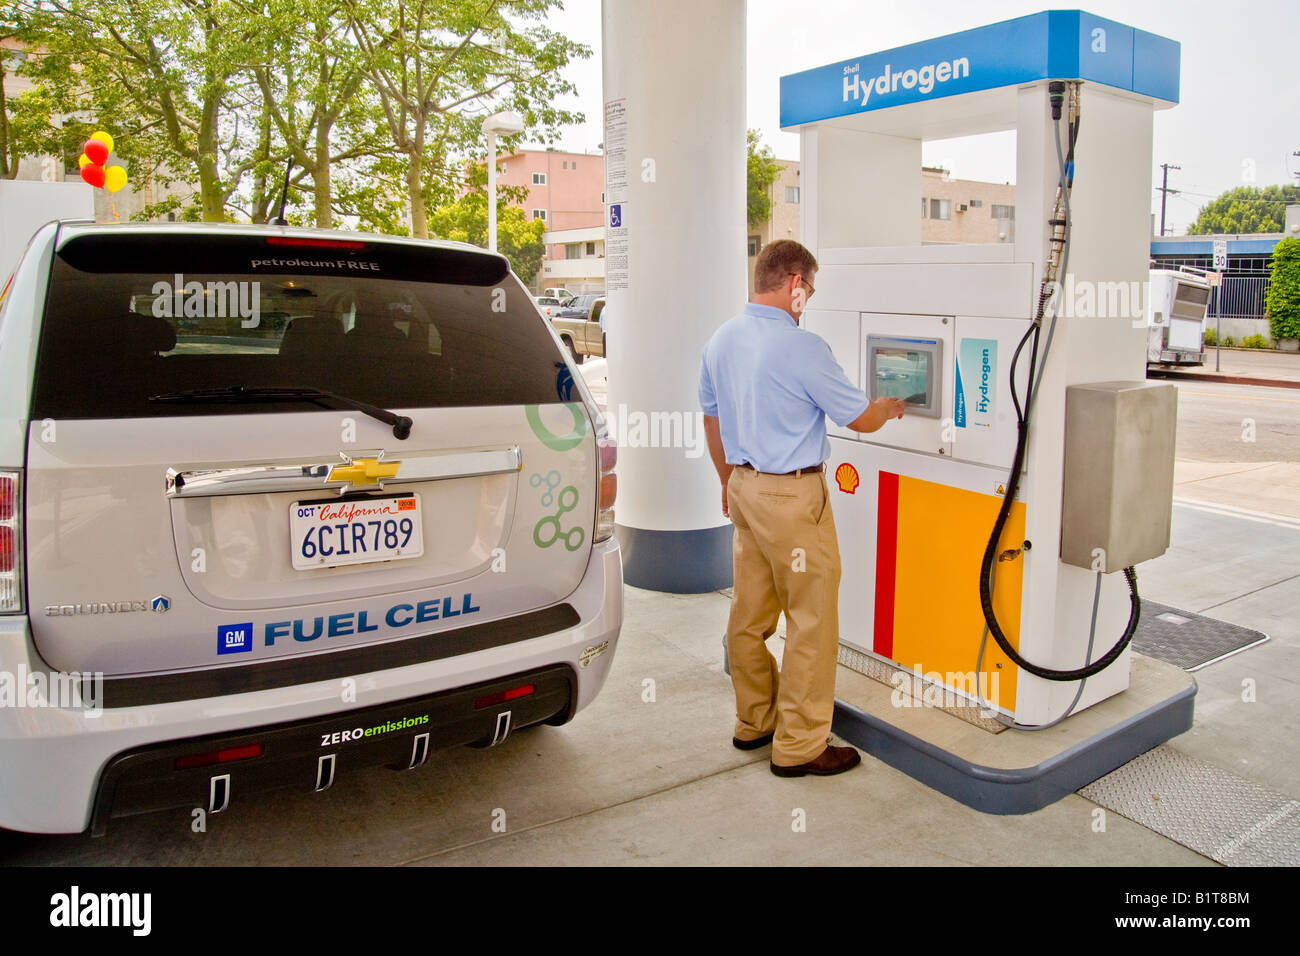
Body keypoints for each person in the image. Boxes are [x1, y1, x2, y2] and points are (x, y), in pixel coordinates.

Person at [699, 239, 905, 777]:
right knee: (811, 620)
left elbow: (712, 420)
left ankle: (755, 722)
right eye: (808, 289)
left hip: (743, 487)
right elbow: (859, 418)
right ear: (795, 284)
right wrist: (886, 407)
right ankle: (800, 746)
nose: (807, 300)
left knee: (750, 615)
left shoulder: (721, 340)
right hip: (791, 498)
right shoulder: (802, 346)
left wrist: (727, 482)